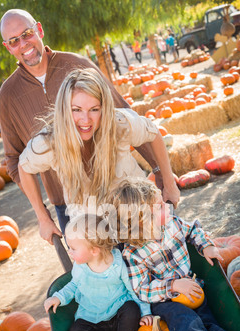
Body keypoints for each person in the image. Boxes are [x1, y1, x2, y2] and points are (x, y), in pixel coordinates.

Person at [0, 9, 179, 241]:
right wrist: (43, 215)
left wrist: (160, 171)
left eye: (27, 34)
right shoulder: (8, 96)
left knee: (147, 254)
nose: (23, 44)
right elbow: (16, 162)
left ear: (39, 30)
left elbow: (124, 116)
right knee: (100, 270)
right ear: (8, 47)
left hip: (120, 190)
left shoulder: (77, 65)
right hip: (70, 204)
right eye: (14, 41)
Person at [107, 177, 240, 331]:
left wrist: (206, 246)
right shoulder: (133, 253)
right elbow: (141, 288)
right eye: (160, 206)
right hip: (165, 300)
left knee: (208, 322)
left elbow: (194, 230)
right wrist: (172, 286)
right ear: (141, 222)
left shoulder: (173, 224)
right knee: (184, 319)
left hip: (192, 287)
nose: (167, 207)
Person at [18, 68, 178, 241]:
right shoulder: (50, 142)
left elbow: (154, 133)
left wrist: (169, 183)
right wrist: (43, 218)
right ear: (64, 110)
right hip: (94, 235)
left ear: (104, 108)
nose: (85, 120)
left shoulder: (120, 124)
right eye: (76, 109)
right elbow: (24, 168)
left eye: (94, 109)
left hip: (138, 221)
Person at [44, 213, 150, 331]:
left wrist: (145, 313)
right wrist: (58, 297)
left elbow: (133, 290)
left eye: (73, 248)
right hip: (91, 319)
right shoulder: (80, 267)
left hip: (118, 316)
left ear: (94, 250)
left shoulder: (118, 264)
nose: (70, 252)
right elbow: (73, 285)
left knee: (131, 308)